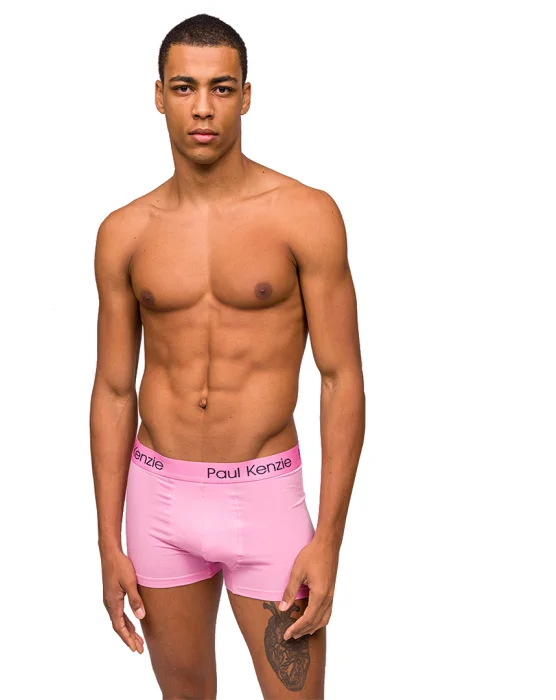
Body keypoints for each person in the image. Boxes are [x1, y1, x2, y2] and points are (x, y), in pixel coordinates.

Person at [90, 13, 365, 699]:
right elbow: (114, 390)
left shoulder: (305, 215)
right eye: (185, 88)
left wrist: (329, 539)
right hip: (158, 501)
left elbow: (341, 378)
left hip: (266, 499)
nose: (203, 108)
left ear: (246, 96)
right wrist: (107, 540)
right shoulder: (125, 232)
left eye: (220, 88)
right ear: (159, 96)